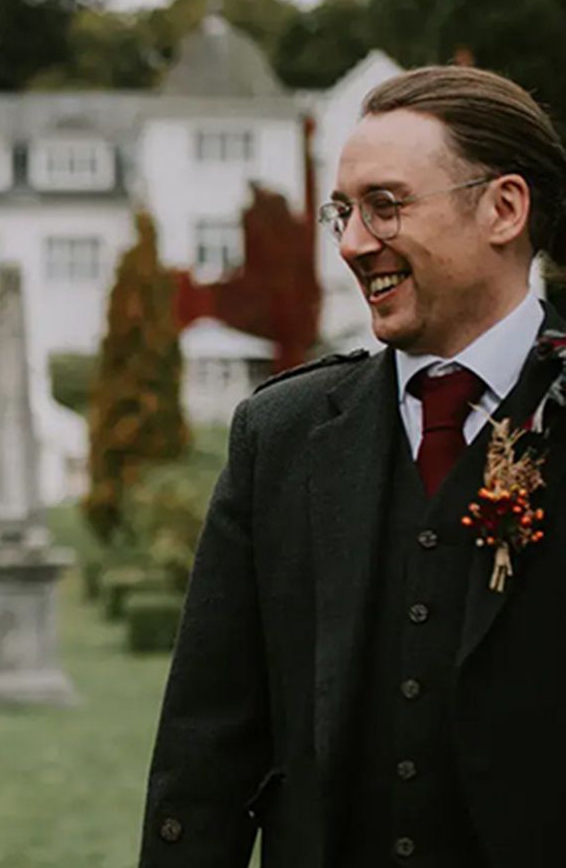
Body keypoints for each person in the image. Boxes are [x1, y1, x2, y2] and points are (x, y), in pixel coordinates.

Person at [139, 66, 566, 868]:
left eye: (385, 206)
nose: (351, 243)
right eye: (344, 211)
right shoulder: (283, 433)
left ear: (504, 208)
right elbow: (208, 746)